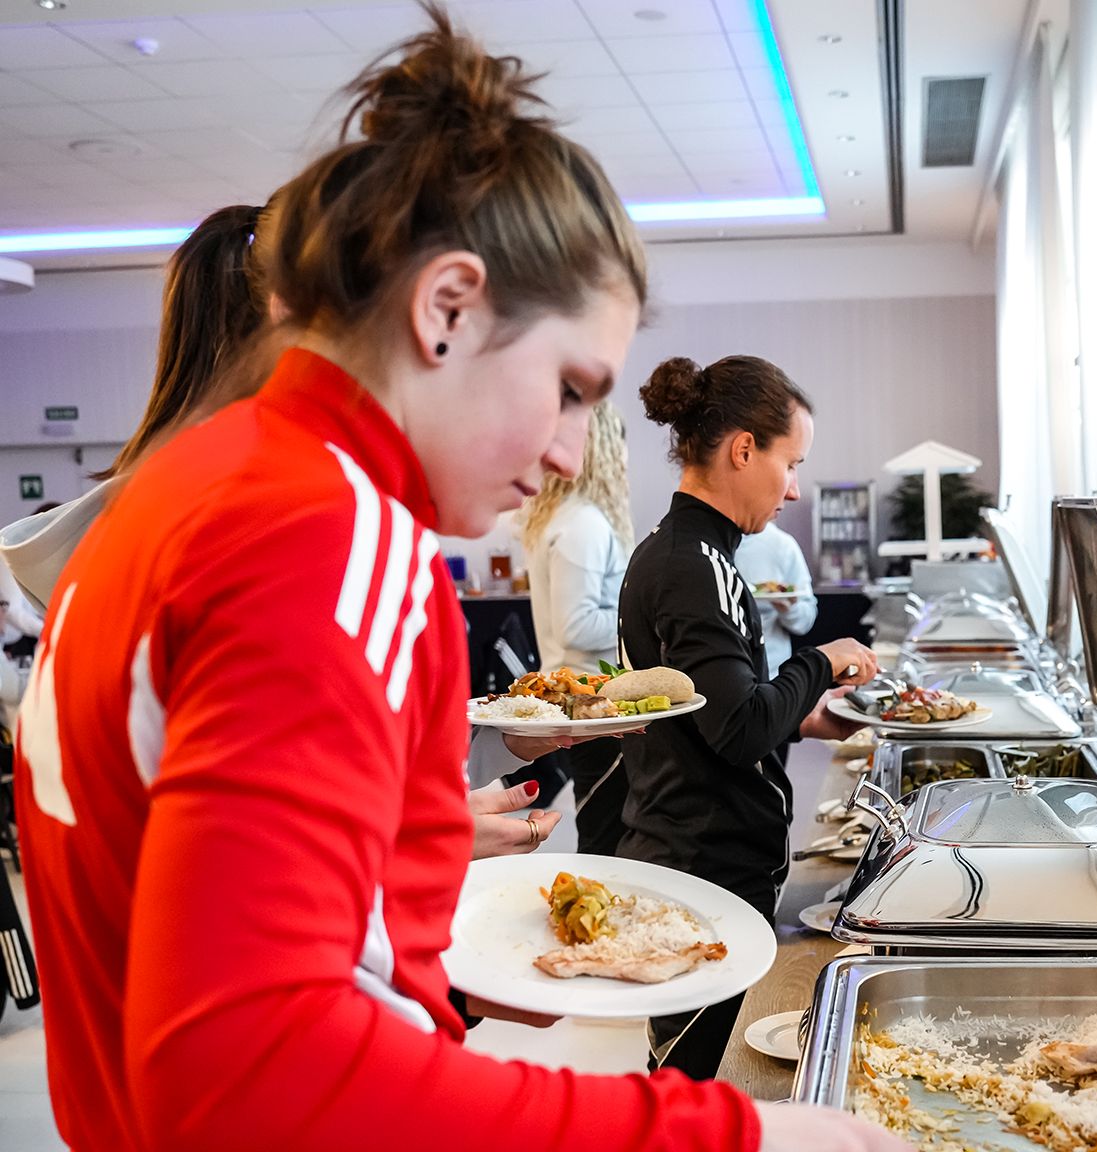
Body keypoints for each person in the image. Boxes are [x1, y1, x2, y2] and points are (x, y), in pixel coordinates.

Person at [12, 10, 903, 1151]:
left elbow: (207, 917)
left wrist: (437, 980)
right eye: (571, 387)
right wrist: (736, 1137)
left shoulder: (189, 485)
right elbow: (247, 1073)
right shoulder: (327, 536)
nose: (572, 453)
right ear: (446, 309)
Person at [0, 198, 561, 861]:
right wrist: (426, 842)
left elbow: (290, 795)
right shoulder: (275, 547)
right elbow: (246, 869)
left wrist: (446, 797)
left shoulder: (134, 534)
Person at [619, 354, 879, 1079]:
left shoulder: (697, 555)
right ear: (743, 449)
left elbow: (712, 711)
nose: (794, 488)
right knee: (694, 1087)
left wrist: (803, 719)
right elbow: (737, 732)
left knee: (698, 1082)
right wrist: (820, 663)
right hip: (703, 869)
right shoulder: (690, 565)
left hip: (712, 863)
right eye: (789, 463)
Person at [520, 400, 635, 852]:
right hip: (590, 700)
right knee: (607, 835)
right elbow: (577, 626)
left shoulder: (564, 516)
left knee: (603, 825)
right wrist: (639, 620)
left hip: (585, 699)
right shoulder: (583, 523)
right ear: (605, 449)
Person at [733, 519, 818, 674]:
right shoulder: (707, 542)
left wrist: (789, 610)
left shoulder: (782, 545)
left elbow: (806, 619)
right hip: (721, 666)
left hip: (772, 670)